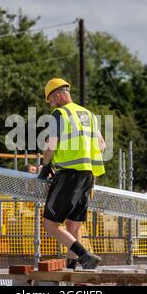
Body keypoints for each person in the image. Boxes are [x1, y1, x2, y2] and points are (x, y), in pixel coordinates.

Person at [38, 78, 106, 270]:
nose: (51, 105)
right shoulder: (89, 115)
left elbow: (51, 144)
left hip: (68, 175)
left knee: (50, 225)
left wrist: (45, 165)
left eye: (50, 100)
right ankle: (72, 268)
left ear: (58, 96)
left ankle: (84, 255)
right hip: (88, 177)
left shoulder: (60, 113)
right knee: (72, 226)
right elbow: (102, 145)